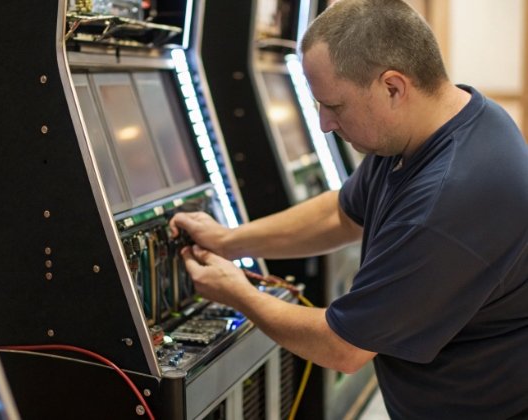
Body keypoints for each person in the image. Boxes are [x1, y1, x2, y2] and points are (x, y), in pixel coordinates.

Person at [170, 0, 528, 418]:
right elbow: (340, 213)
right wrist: (229, 240)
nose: (323, 123)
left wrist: (238, 294)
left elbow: (343, 347)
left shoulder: (449, 198)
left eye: (335, 106)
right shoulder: (437, 122)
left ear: (393, 87)